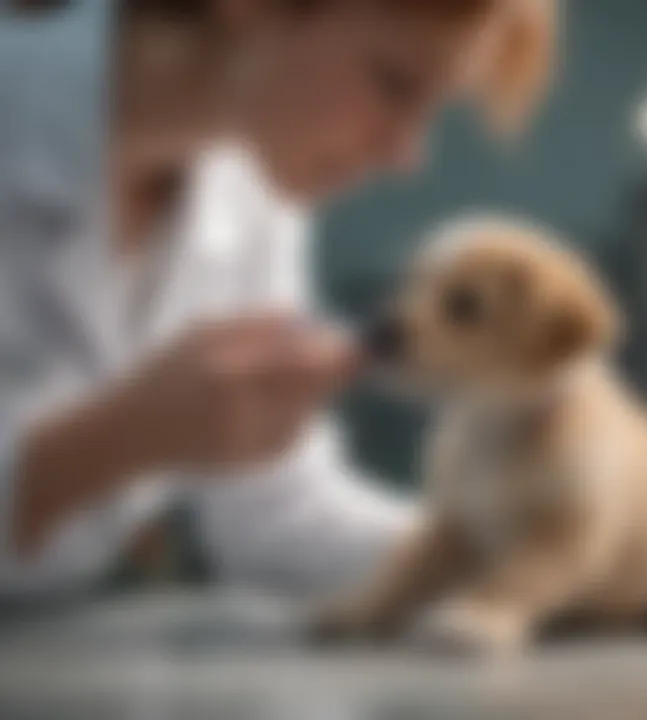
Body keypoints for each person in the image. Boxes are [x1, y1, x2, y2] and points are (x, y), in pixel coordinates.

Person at [0, 0, 555, 599]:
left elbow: (277, 514)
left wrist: (527, 560)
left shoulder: (250, 187)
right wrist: (113, 440)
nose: (405, 155)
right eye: (393, 84)